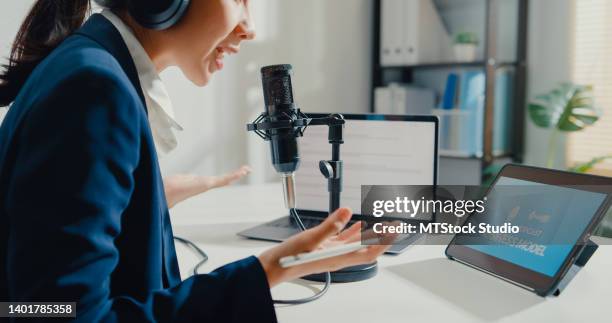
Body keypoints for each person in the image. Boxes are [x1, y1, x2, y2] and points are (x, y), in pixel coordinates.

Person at [0, 1, 393, 322]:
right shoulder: (94, 88)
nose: (250, 28)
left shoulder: (89, 62)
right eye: (240, 0)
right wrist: (273, 268)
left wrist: (146, 201)